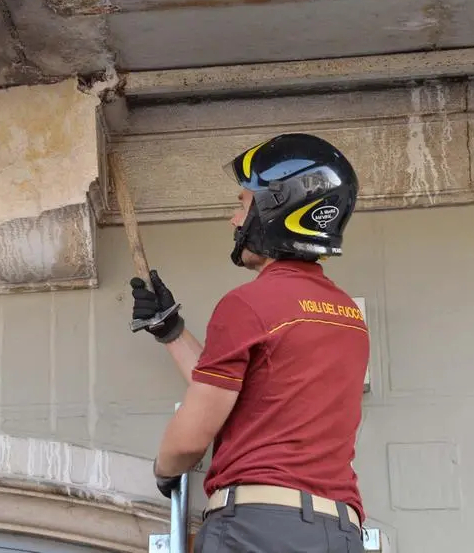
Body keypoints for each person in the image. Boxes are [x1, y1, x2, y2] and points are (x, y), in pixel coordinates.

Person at [129, 133, 370, 552]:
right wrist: (170, 331)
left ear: (276, 209)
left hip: (257, 529)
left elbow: (191, 438)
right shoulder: (347, 315)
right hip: (340, 534)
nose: (233, 220)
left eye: (242, 204)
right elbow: (244, 397)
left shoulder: (249, 304)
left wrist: (166, 468)